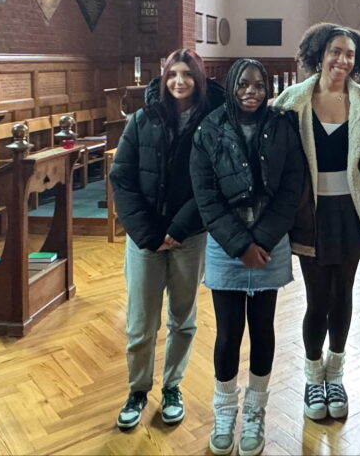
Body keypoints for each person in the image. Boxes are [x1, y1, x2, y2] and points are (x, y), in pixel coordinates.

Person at [191, 59, 305, 456]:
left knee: (263, 330)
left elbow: (293, 186)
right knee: (227, 334)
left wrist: (264, 239)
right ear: (231, 85)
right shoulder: (210, 129)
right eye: (243, 84)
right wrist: (240, 244)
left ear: (268, 87)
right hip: (227, 248)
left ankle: (255, 412)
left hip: (271, 244)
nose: (251, 91)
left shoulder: (282, 126)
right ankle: (225, 411)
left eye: (259, 84)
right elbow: (205, 195)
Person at [271, 23, 360, 420]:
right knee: (317, 299)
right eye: (336, 51)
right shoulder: (291, 101)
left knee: (344, 295)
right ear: (319, 54)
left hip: (351, 212)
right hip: (309, 213)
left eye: (350, 54)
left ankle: (335, 375)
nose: (342, 60)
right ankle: (312, 374)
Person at [110, 49, 224, 431]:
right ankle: (137, 390)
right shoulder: (141, 120)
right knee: (141, 322)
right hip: (145, 238)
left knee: (183, 318)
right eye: (173, 74)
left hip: (188, 236)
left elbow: (212, 182)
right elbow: (122, 177)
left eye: (187, 74)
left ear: (198, 79)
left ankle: (172, 386)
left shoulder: (212, 123)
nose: (179, 81)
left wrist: (178, 228)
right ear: (163, 79)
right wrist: (146, 233)